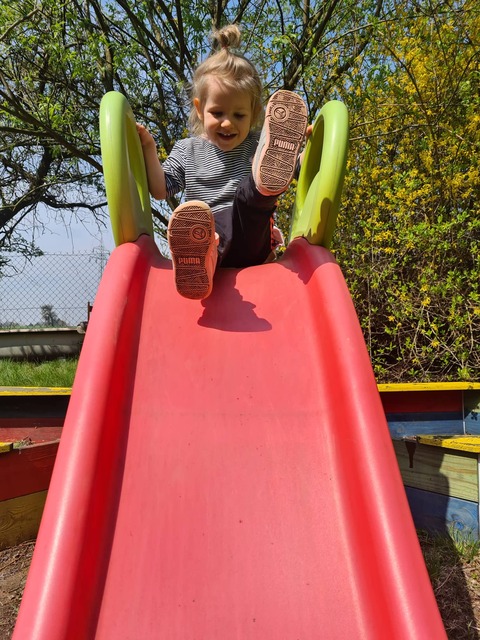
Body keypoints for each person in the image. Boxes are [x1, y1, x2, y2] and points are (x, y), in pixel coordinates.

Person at [137, 24, 309, 300]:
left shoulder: (258, 144)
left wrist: (306, 148)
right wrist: (148, 147)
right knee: (201, 224)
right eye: (217, 113)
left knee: (250, 195)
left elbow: (298, 169)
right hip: (208, 238)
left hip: (251, 238)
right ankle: (198, 263)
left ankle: (263, 183)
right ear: (199, 109)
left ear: (254, 112)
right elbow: (160, 189)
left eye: (239, 115)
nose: (227, 123)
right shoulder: (187, 149)